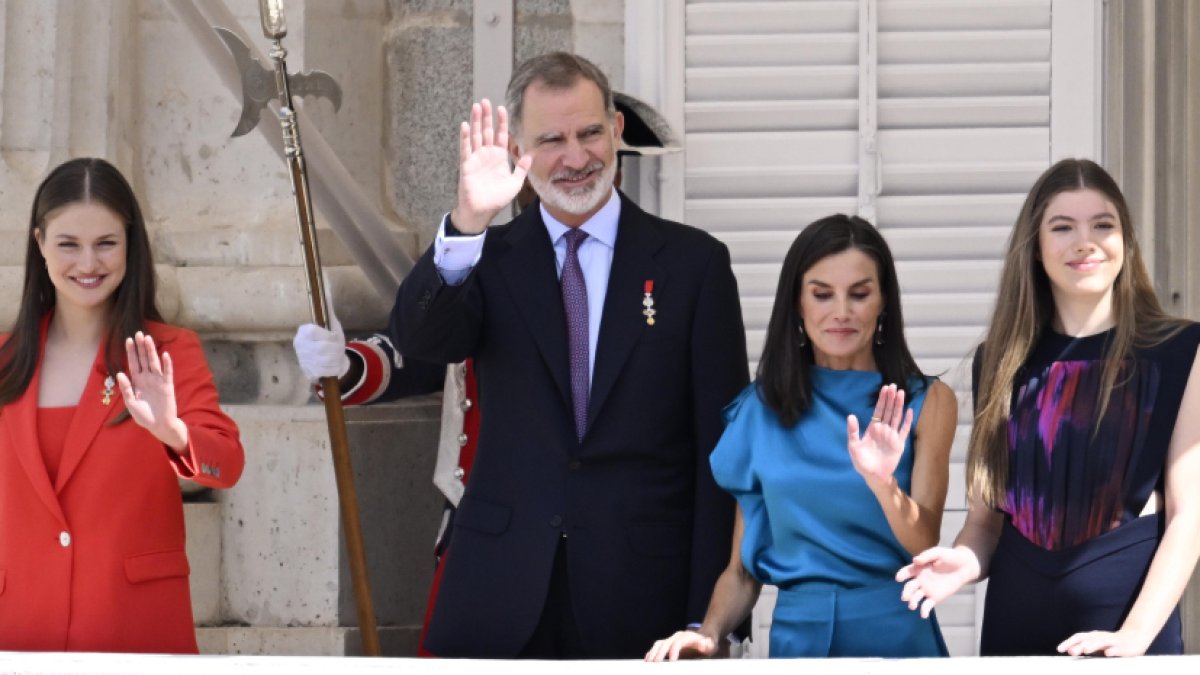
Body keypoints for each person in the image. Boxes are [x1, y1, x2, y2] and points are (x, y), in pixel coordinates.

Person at [291, 90, 682, 656]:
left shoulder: (663, 272)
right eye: (539, 154)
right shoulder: (482, 260)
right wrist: (345, 363)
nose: (569, 169)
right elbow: (419, 350)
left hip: (619, 555)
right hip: (496, 544)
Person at [389, 52, 749, 658]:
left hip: (641, 598)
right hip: (498, 595)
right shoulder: (489, 257)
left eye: (588, 133)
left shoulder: (695, 266)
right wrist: (468, 220)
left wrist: (704, 616)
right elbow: (422, 339)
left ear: (616, 130)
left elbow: (720, 457)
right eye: (552, 140)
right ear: (520, 153)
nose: (577, 158)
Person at [896, 158, 1200, 656]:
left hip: (1126, 629)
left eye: (1103, 225)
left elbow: (1190, 514)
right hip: (1015, 626)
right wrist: (964, 564)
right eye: (1063, 227)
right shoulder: (996, 361)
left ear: (1125, 242)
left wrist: (1136, 636)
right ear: (1036, 248)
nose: (1085, 241)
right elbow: (985, 522)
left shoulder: (1181, 351)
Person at [644, 215, 956, 660]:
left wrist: (882, 483)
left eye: (860, 294)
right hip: (797, 642)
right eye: (822, 294)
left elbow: (925, 545)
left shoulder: (928, 401)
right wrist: (708, 633)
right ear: (796, 303)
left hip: (898, 637)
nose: (842, 312)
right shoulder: (758, 410)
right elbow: (740, 572)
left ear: (884, 300)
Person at [0, 157, 245, 653]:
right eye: (69, 244)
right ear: (40, 243)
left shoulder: (170, 350)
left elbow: (227, 463)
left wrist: (172, 432)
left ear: (130, 246)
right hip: (20, 627)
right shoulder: (5, 361)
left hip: (135, 628)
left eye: (106, 244)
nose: (88, 264)